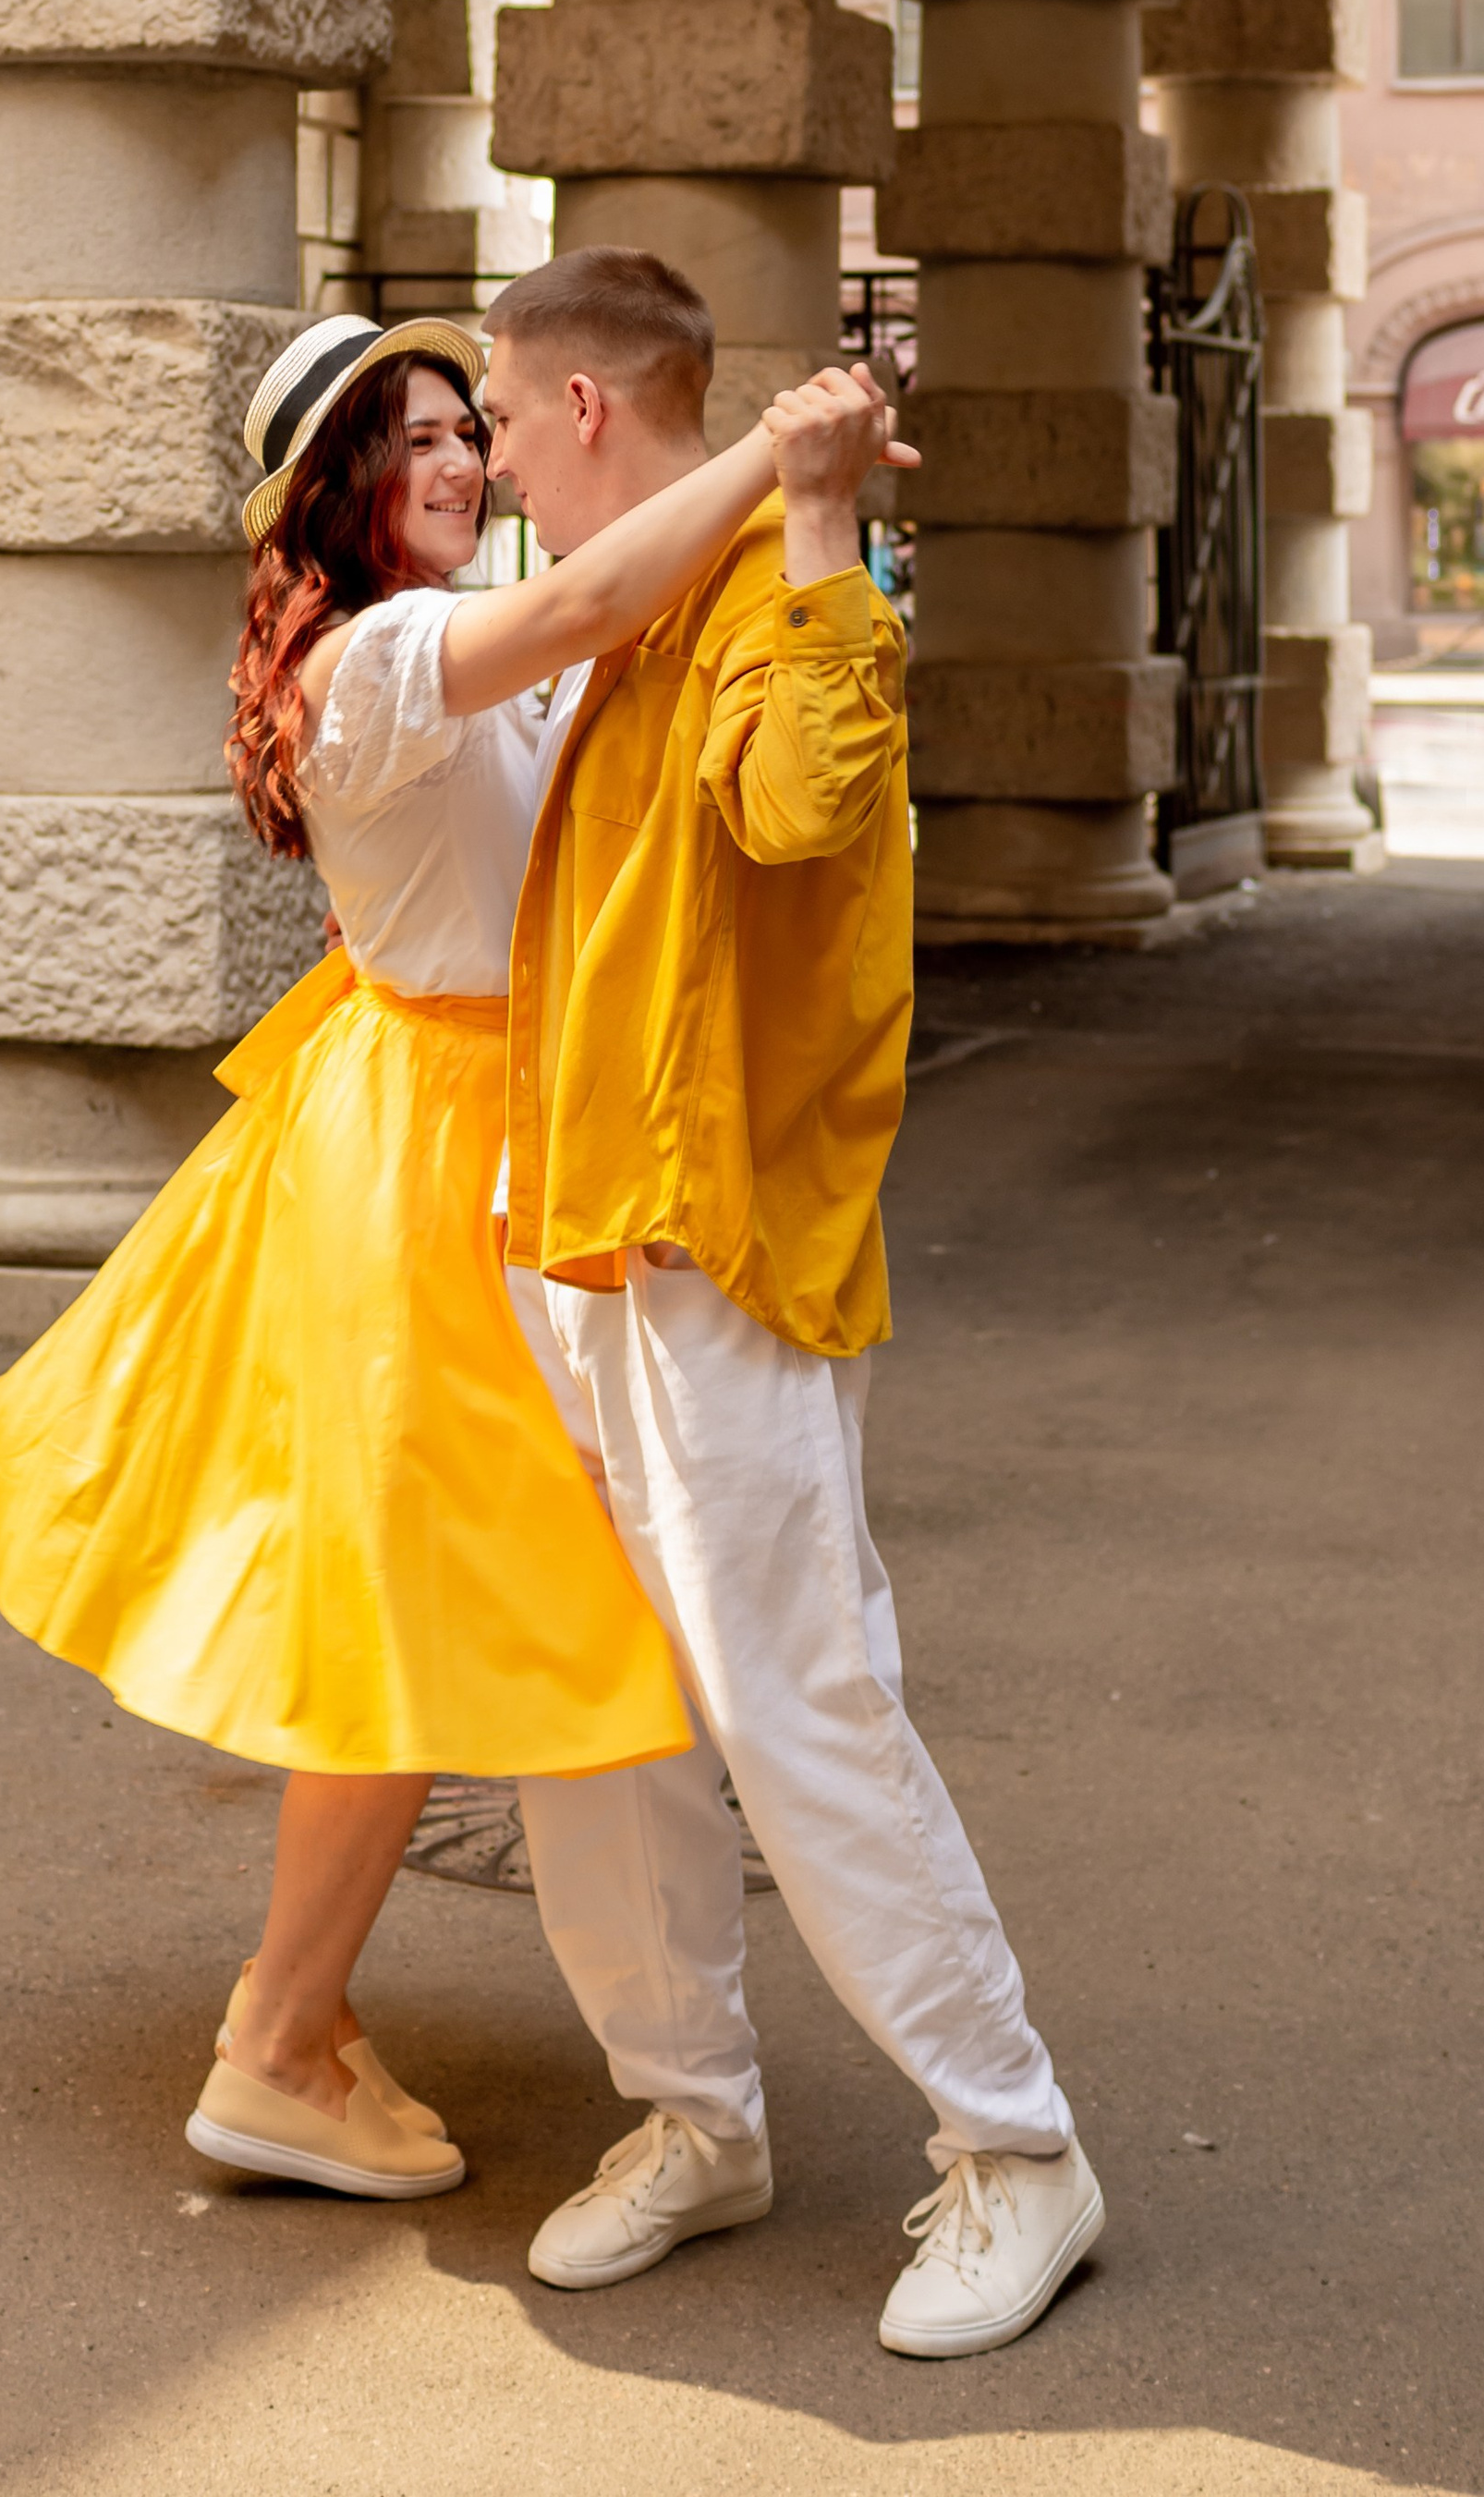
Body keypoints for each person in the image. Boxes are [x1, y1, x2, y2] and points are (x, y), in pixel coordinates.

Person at [0, 311, 908, 2205]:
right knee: (410, 1613)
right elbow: (596, 597)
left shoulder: (440, 641)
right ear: (333, 498)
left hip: (489, 1118)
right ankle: (283, 2042)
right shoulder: (378, 658)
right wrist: (783, 460)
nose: (460, 461)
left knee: (432, 1606)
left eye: (469, 428)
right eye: (412, 441)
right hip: (435, 1147)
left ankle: (316, 2028)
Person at [475, 247, 1102, 2361]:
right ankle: (694, 2118)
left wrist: (819, 511)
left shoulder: (767, 574)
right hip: (581, 1226)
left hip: (706, 1239)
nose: (493, 460)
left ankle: (1014, 2148)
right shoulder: (644, 590)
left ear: (580, 407)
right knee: (595, 1708)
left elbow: (803, 804)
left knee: (796, 1701)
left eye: (500, 416)